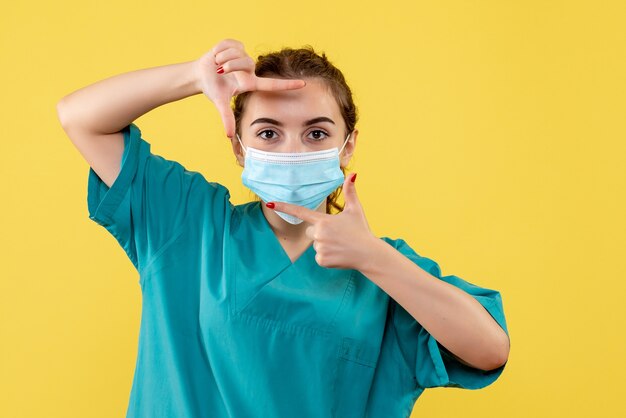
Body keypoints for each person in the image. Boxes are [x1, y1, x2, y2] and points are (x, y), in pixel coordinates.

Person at [56, 38, 510, 418]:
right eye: (269, 133)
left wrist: (372, 258)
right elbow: (81, 118)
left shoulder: (380, 270)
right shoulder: (189, 225)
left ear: (347, 146)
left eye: (316, 134)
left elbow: (490, 349)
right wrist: (194, 77)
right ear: (239, 145)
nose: (292, 151)